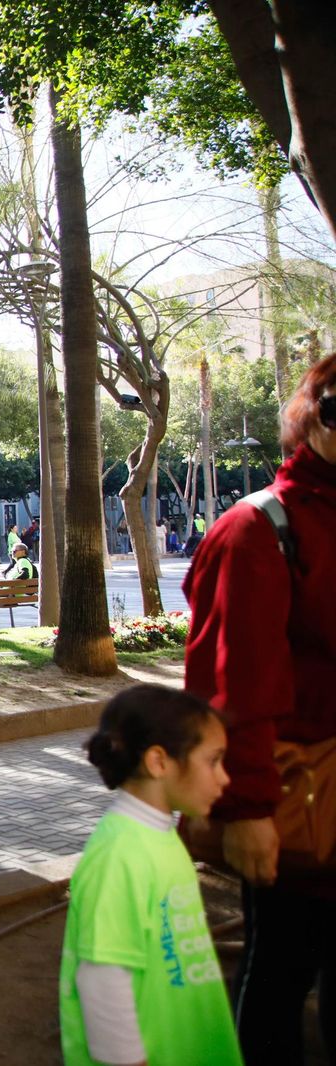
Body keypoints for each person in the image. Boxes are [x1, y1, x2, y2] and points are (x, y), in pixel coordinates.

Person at [183, 353, 336, 1065]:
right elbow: (231, 686)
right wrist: (246, 809)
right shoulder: (258, 527)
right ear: (309, 419)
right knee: (279, 976)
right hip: (300, 804)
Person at [62, 685, 241, 1066]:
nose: (225, 778)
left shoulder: (156, 835)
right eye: (213, 761)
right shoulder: (119, 854)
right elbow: (105, 977)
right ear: (159, 762)